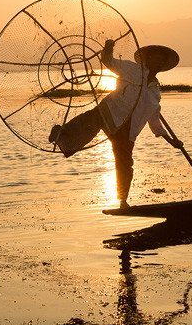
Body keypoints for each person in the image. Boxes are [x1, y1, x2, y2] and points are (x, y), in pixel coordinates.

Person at [48, 39, 183, 207]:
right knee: (88, 123)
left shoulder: (155, 91)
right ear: (147, 59)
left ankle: (122, 200)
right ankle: (61, 133)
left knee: (125, 163)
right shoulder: (131, 69)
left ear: (162, 65)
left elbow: (155, 121)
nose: (157, 61)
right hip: (111, 111)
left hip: (127, 130)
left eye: (160, 60)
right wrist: (109, 47)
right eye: (154, 57)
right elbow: (108, 61)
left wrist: (172, 142)